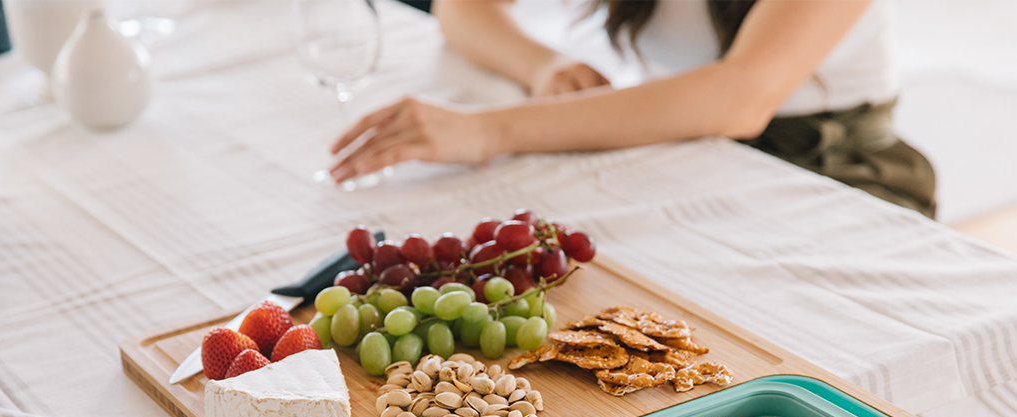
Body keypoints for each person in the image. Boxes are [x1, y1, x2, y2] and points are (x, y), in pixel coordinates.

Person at [330, 0, 936, 218]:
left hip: (838, 167)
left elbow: (739, 98)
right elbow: (462, 8)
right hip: (678, 141)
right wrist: (539, 65)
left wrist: (488, 131)